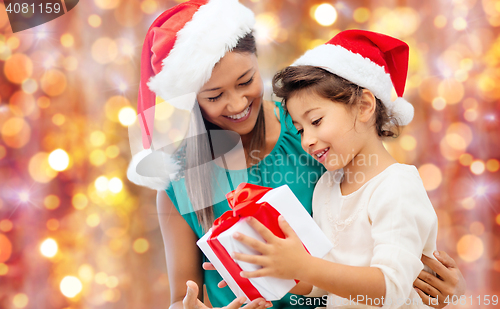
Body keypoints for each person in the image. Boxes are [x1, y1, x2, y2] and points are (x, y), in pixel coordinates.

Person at [126, 1, 465, 308]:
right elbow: (184, 298)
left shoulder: (315, 129)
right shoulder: (181, 181)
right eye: (214, 96)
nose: (237, 103)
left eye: (246, 81)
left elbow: (387, 229)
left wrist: (444, 290)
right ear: (191, 99)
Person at [229, 30, 465, 309]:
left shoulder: (397, 187)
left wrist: (305, 267)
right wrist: (275, 267)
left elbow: (391, 289)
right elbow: (325, 280)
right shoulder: (326, 187)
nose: (307, 140)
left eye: (316, 121)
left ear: (364, 106)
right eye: (300, 129)